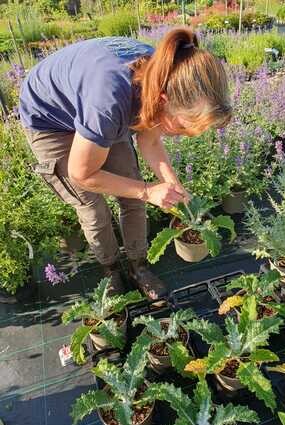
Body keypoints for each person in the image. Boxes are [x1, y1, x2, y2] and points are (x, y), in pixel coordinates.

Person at [19, 28, 232, 299]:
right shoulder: (109, 102)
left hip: (92, 106)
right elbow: (82, 174)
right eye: (183, 126)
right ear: (163, 101)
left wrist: (171, 185)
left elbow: (150, 141)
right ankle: (110, 269)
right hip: (50, 120)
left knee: (133, 199)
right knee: (92, 207)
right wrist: (147, 189)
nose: (183, 134)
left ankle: (138, 266)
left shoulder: (168, 75)